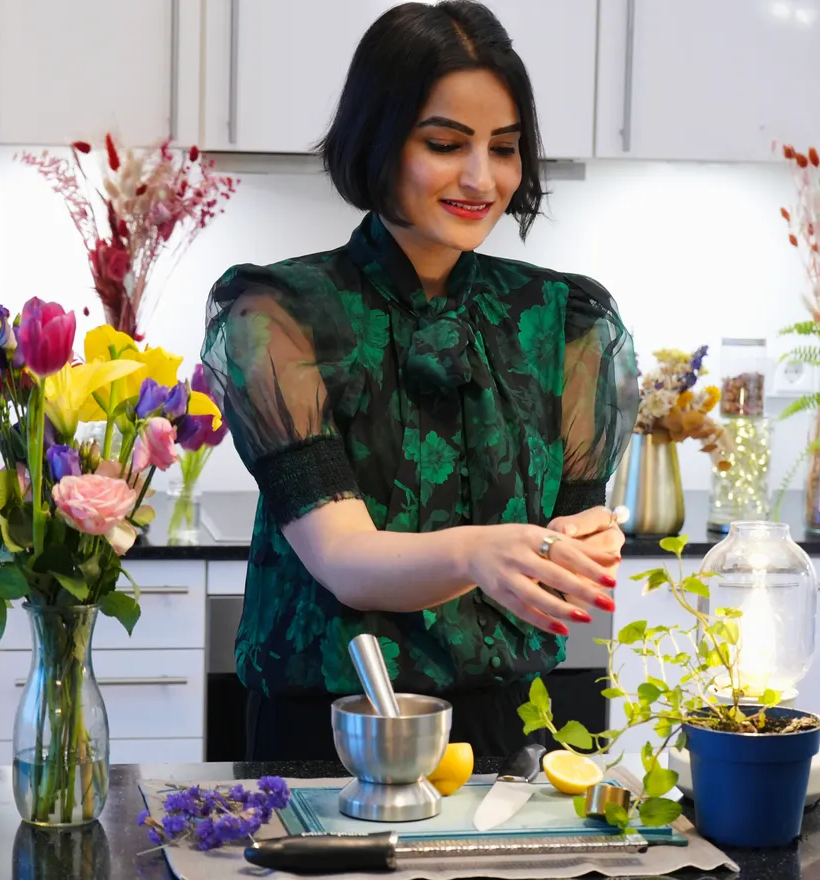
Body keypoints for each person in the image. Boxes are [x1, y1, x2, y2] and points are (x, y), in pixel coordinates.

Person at [202, 0, 639, 761]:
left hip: (506, 731)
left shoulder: (562, 320)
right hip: (326, 734)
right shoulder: (281, 315)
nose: (481, 177)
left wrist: (582, 543)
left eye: (503, 148)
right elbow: (345, 560)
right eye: (445, 143)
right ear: (379, 138)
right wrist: (475, 552)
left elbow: (561, 551)